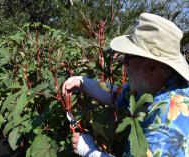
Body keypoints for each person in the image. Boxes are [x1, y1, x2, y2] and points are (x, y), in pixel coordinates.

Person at [62, 13, 189, 157]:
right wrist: (83, 82)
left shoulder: (169, 120)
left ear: (152, 66)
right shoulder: (154, 87)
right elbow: (117, 95)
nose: (124, 63)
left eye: (129, 57)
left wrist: (89, 151)